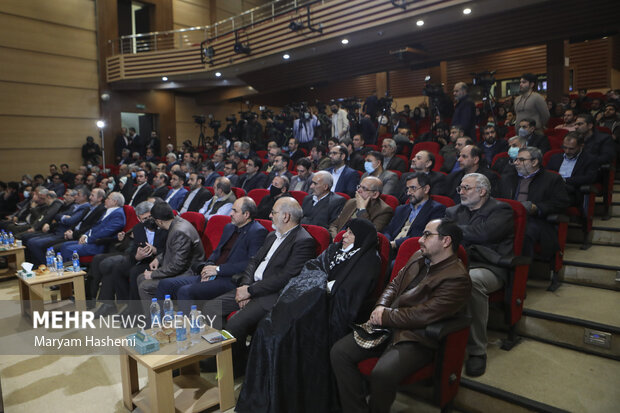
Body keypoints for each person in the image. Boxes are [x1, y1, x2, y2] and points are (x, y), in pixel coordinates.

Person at [237, 219, 382, 413]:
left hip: (328, 313)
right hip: (308, 302)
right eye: (345, 231)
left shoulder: (369, 260)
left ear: (361, 238)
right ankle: (264, 396)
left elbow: (348, 296)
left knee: (281, 338)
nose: (344, 235)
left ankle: (285, 400)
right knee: (266, 328)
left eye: (350, 233)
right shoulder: (336, 248)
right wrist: (320, 286)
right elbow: (312, 267)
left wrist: (321, 288)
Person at [330, 218, 471, 413]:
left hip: (416, 338)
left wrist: (385, 316)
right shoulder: (418, 256)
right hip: (386, 326)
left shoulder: (457, 278)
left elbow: (424, 314)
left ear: (446, 241)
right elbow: (394, 284)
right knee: (339, 352)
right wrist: (380, 306)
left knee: (382, 373)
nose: (420, 239)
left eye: (427, 235)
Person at [204, 198, 316, 374]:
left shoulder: (303, 241)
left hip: (271, 295)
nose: (270, 215)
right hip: (250, 287)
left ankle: (234, 367)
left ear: (286, 216)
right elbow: (253, 261)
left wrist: (250, 291)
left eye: (274, 212)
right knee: (211, 308)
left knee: (235, 323)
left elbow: (286, 277)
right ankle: (222, 356)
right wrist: (246, 285)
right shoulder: (272, 235)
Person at [445, 173, 514, 377]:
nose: (461, 192)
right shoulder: (453, 210)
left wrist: (455, 231)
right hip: (457, 262)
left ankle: (477, 351)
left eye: (466, 188)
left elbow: (485, 234)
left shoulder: (501, 210)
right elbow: (445, 236)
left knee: (472, 280)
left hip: (490, 266)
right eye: (460, 188)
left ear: (482, 191)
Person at [156, 197, 268, 307]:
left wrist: (218, 270)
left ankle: (189, 325)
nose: (231, 214)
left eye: (235, 211)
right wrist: (208, 267)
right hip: (212, 274)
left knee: (185, 291)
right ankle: (160, 322)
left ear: (246, 214)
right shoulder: (229, 227)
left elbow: (250, 264)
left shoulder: (257, 232)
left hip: (229, 279)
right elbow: (216, 252)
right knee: (165, 284)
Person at [499, 147, 569, 261]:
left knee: (523, 232)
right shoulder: (507, 177)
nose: (516, 163)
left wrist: (537, 208)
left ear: (534, 162)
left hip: (535, 220)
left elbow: (561, 203)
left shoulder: (552, 179)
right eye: (515, 159)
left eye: (521, 160)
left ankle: (521, 271)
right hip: (507, 217)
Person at [136, 202, 205, 302]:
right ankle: (153, 313)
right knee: (141, 278)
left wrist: (153, 274)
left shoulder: (179, 231)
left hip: (188, 273)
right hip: (178, 267)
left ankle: (157, 316)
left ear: (159, 221)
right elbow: (172, 249)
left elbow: (177, 266)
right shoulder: (175, 223)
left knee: (145, 286)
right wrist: (158, 258)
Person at [383, 172, 446, 252]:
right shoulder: (401, 209)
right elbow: (388, 229)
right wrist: (387, 242)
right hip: (391, 249)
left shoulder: (436, 209)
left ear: (426, 189)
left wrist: (395, 243)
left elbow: (422, 235)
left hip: (413, 251)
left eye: (413, 188)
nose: (409, 192)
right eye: (407, 189)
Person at [58, 192, 126, 261]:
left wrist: (88, 239)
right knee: (64, 245)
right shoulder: (108, 211)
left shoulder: (118, 214)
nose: (105, 200)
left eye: (108, 199)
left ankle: (72, 270)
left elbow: (106, 232)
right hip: (91, 240)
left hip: (98, 244)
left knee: (68, 249)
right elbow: (95, 226)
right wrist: (85, 235)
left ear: (115, 202)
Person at [329, 177, 393, 238]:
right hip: (340, 239)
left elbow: (369, 232)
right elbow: (334, 225)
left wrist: (362, 209)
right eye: (359, 187)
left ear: (375, 194)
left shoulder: (384, 211)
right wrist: (336, 238)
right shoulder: (352, 202)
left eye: (364, 189)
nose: (359, 190)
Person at [546, 132, 598, 207]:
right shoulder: (555, 158)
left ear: (581, 146)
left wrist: (565, 180)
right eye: (565, 147)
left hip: (572, 191)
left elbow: (590, 178)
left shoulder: (589, 159)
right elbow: (546, 174)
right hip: (552, 188)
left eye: (571, 149)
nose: (567, 151)